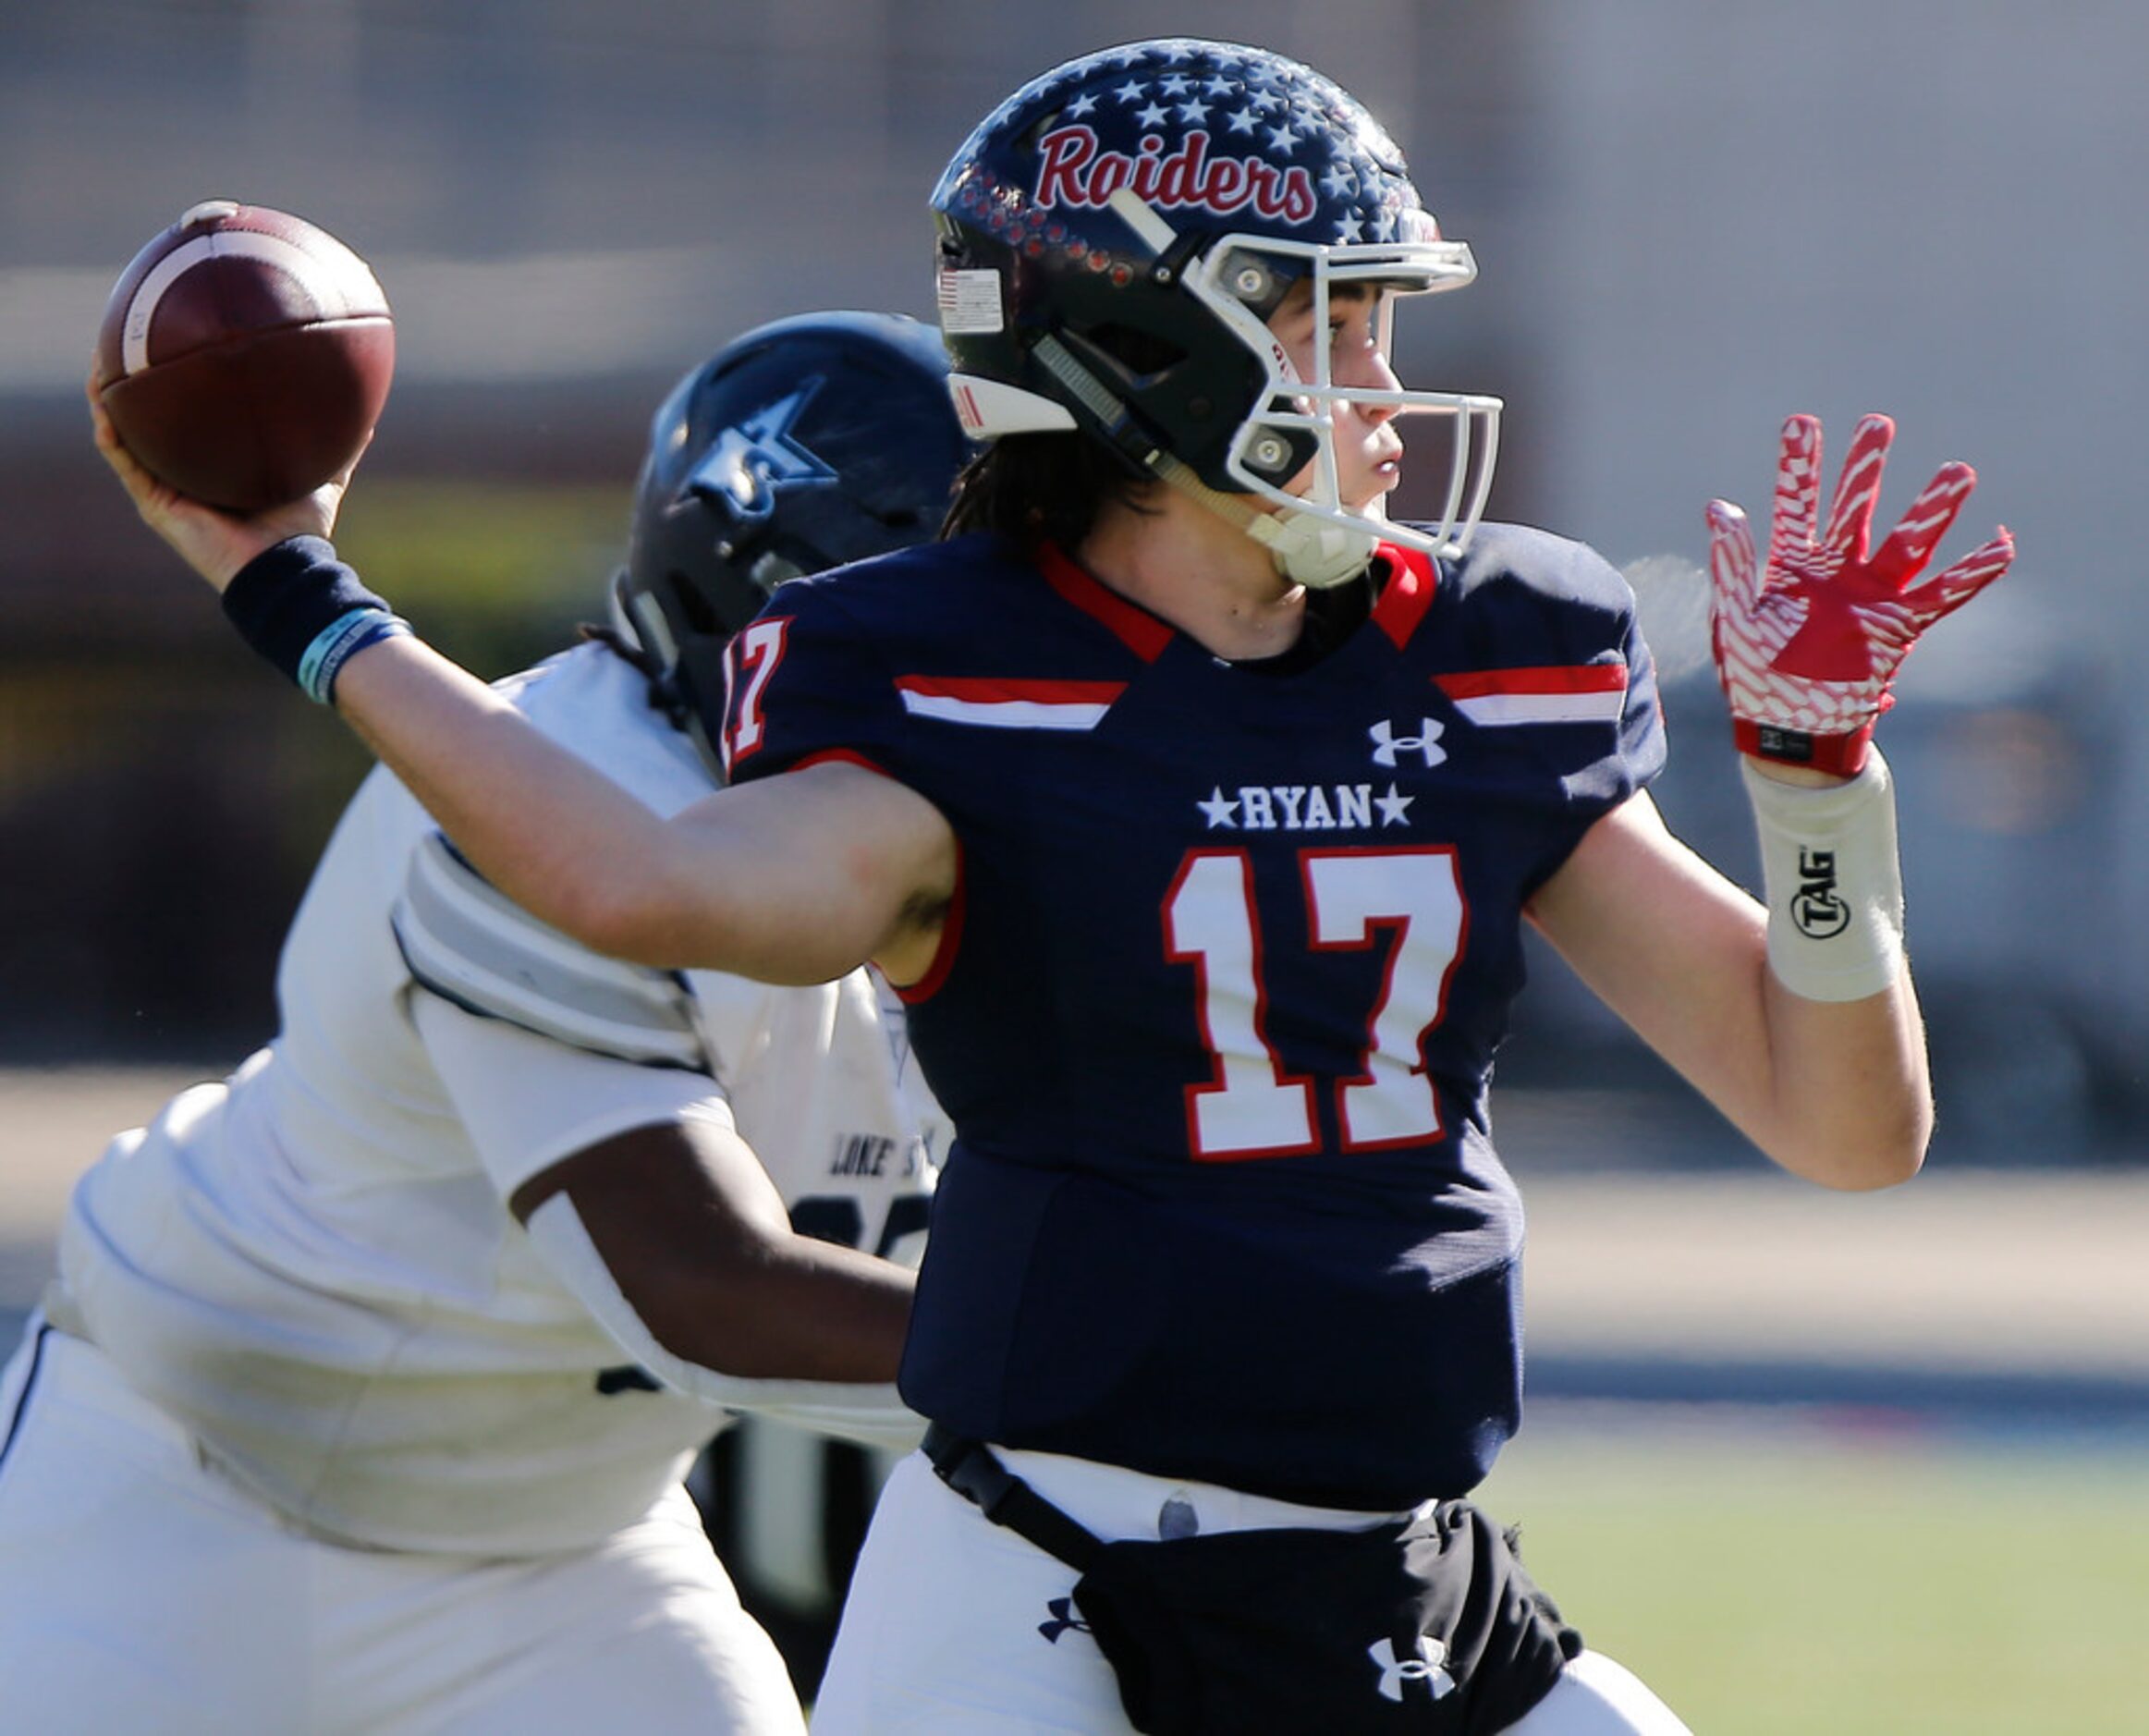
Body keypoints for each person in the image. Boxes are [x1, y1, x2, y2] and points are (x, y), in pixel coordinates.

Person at [88, 37, 2015, 1736]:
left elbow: (1841, 1127)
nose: (1383, 384)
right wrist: (294, 588)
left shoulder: (1482, 657)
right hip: (1041, 1574)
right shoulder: (946, 678)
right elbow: (640, 883)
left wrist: (1816, 788)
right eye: (1333, 321)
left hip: (1406, 1580)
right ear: (1154, 353)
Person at [6, 310, 972, 1734]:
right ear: (784, 600)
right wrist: (1158, 1357)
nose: (1052, 644)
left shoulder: (1038, 835)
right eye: (995, 595)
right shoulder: (549, 803)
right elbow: (699, 1287)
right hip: (178, 1494)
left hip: (566, 1556)